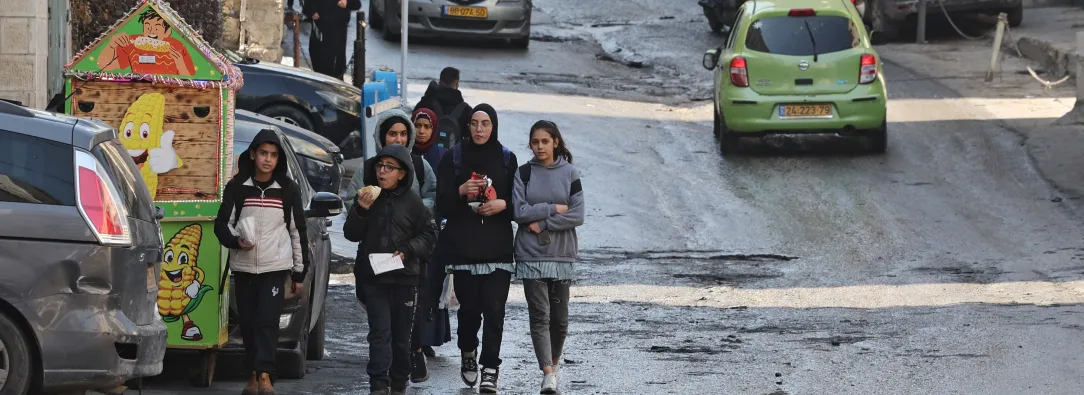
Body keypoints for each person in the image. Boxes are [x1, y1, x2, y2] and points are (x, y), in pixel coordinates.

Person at [214, 129, 311, 395]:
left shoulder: (288, 190)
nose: (268, 160)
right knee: (248, 323)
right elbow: (222, 226)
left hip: (274, 269)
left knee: (267, 321)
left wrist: (299, 273)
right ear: (254, 154)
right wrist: (237, 241)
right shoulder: (237, 188)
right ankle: (254, 374)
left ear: (279, 159)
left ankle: (265, 375)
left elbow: (297, 232)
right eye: (263, 154)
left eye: (273, 155)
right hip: (244, 269)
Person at [436, 104, 518, 393]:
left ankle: (490, 368)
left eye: (485, 123)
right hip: (464, 250)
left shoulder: (507, 159)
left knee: (495, 310)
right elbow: (441, 204)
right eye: (474, 123)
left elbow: (519, 203)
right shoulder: (453, 158)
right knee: (470, 311)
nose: (479, 129)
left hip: (497, 250)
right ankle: (468, 352)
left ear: (493, 126)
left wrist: (503, 204)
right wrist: (461, 192)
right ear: (467, 127)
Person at [343, 144, 438, 395]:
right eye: (379, 166)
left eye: (389, 168)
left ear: (402, 173)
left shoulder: (413, 202)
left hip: (406, 279)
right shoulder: (368, 197)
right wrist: (360, 210)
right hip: (374, 278)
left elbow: (430, 234)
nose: (382, 172)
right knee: (379, 333)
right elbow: (350, 234)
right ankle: (378, 384)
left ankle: (398, 383)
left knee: (401, 337)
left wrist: (408, 250)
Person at [512, 121, 585, 394]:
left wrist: (543, 222)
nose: (540, 147)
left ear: (555, 142)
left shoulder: (570, 173)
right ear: (530, 144)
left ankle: (553, 365)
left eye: (545, 141)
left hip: (562, 255)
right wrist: (555, 208)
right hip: (530, 254)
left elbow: (577, 215)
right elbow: (519, 212)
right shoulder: (524, 173)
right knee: (539, 316)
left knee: (560, 320)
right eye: (535, 142)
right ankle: (547, 373)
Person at [408, 107, 451, 380]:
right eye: (418, 126)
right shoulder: (404, 155)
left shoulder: (441, 156)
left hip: (433, 230)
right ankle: (414, 340)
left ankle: (428, 337)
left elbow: (442, 193)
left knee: (431, 284)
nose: (422, 131)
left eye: (426, 126)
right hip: (407, 232)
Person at [345, 109, 436, 213]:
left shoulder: (420, 166)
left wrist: (411, 212)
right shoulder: (367, 168)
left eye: (403, 134)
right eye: (392, 134)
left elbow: (432, 197)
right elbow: (350, 202)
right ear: (382, 136)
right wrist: (365, 208)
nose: (398, 140)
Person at [97, 9, 195, 76]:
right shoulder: (132, 44)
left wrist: (179, 62)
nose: (151, 31)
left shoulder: (178, 46)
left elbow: (193, 79)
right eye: (147, 26)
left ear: (167, 32)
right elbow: (103, 66)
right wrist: (111, 45)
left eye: (157, 27)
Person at [303, 0, 361, 79]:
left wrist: (347, 3)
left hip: (338, 28)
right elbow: (308, 4)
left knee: (335, 66)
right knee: (318, 60)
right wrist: (311, 11)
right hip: (320, 26)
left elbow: (356, 4)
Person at [417, 67, 472, 136]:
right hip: (456, 146)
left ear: (439, 83)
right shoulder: (466, 110)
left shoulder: (428, 104)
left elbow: (414, 121)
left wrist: (428, 94)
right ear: (457, 85)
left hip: (431, 146)